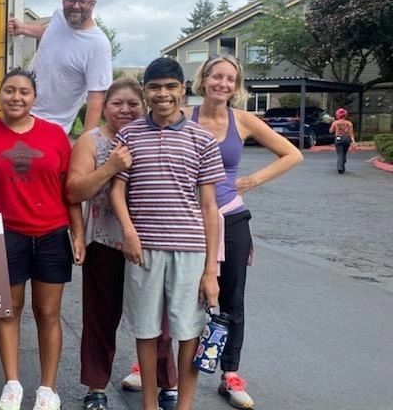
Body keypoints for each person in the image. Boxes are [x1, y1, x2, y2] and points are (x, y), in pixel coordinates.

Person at [108, 57, 224, 410]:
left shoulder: (202, 140)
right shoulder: (129, 134)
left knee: (188, 332)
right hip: (143, 250)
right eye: (155, 87)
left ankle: (185, 405)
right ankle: (149, 404)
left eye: (170, 87)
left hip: (190, 251)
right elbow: (116, 190)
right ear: (145, 92)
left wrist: (211, 270)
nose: (163, 94)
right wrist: (129, 232)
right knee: (146, 330)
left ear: (183, 89)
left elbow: (209, 207)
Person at [190, 55, 302, 408]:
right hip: (189, 219)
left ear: (236, 86)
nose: (222, 84)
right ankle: (158, 365)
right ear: (203, 79)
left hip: (231, 218)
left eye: (230, 79)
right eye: (216, 77)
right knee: (177, 293)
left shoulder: (244, 121)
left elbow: (292, 154)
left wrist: (252, 180)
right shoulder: (183, 117)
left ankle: (230, 374)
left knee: (231, 297)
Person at [66, 77, 180, 410]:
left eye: (133, 104)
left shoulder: (154, 135)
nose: (125, 110)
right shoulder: (91, 142)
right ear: (104, 107)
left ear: (143, 105)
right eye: (118, 103)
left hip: (153, 242)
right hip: (104, 241)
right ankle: (96, 387)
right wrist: (111, 167)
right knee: (101, 318)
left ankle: (166, 384)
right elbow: (74, 191)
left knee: (158, 321)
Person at [0, 69, 85, 410]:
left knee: (48, 312)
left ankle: (47, 389)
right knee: (8, 311)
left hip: (52, 233)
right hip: (5, 233)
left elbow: (69, 191)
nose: (16, 97)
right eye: (9, 91)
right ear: (0, 95)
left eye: (24, 92)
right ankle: (12, 384)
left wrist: (78, 233)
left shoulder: (55, 135)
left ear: (34, 97)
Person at [6, 0, 113, 134]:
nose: (76, 6)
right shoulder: (59, 17)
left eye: (82, 1)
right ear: (63, 0)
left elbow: (96, 100)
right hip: (22, 110)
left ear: (92, 4)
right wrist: (22, 28)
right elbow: (49, 33)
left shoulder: (98, 45)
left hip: (52, 127)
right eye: (71, 0)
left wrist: (86, 142)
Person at [329, 108, 356, 174]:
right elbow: (351, 133)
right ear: (345, 115)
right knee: (344, 152)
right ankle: (343, 162)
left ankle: (340, 167)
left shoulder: (335, 123)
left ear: (338, 115)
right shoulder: (349, 123)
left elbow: (330, 131)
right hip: (347, 139)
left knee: (339, 153)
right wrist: (353, 141)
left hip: (338, 138)